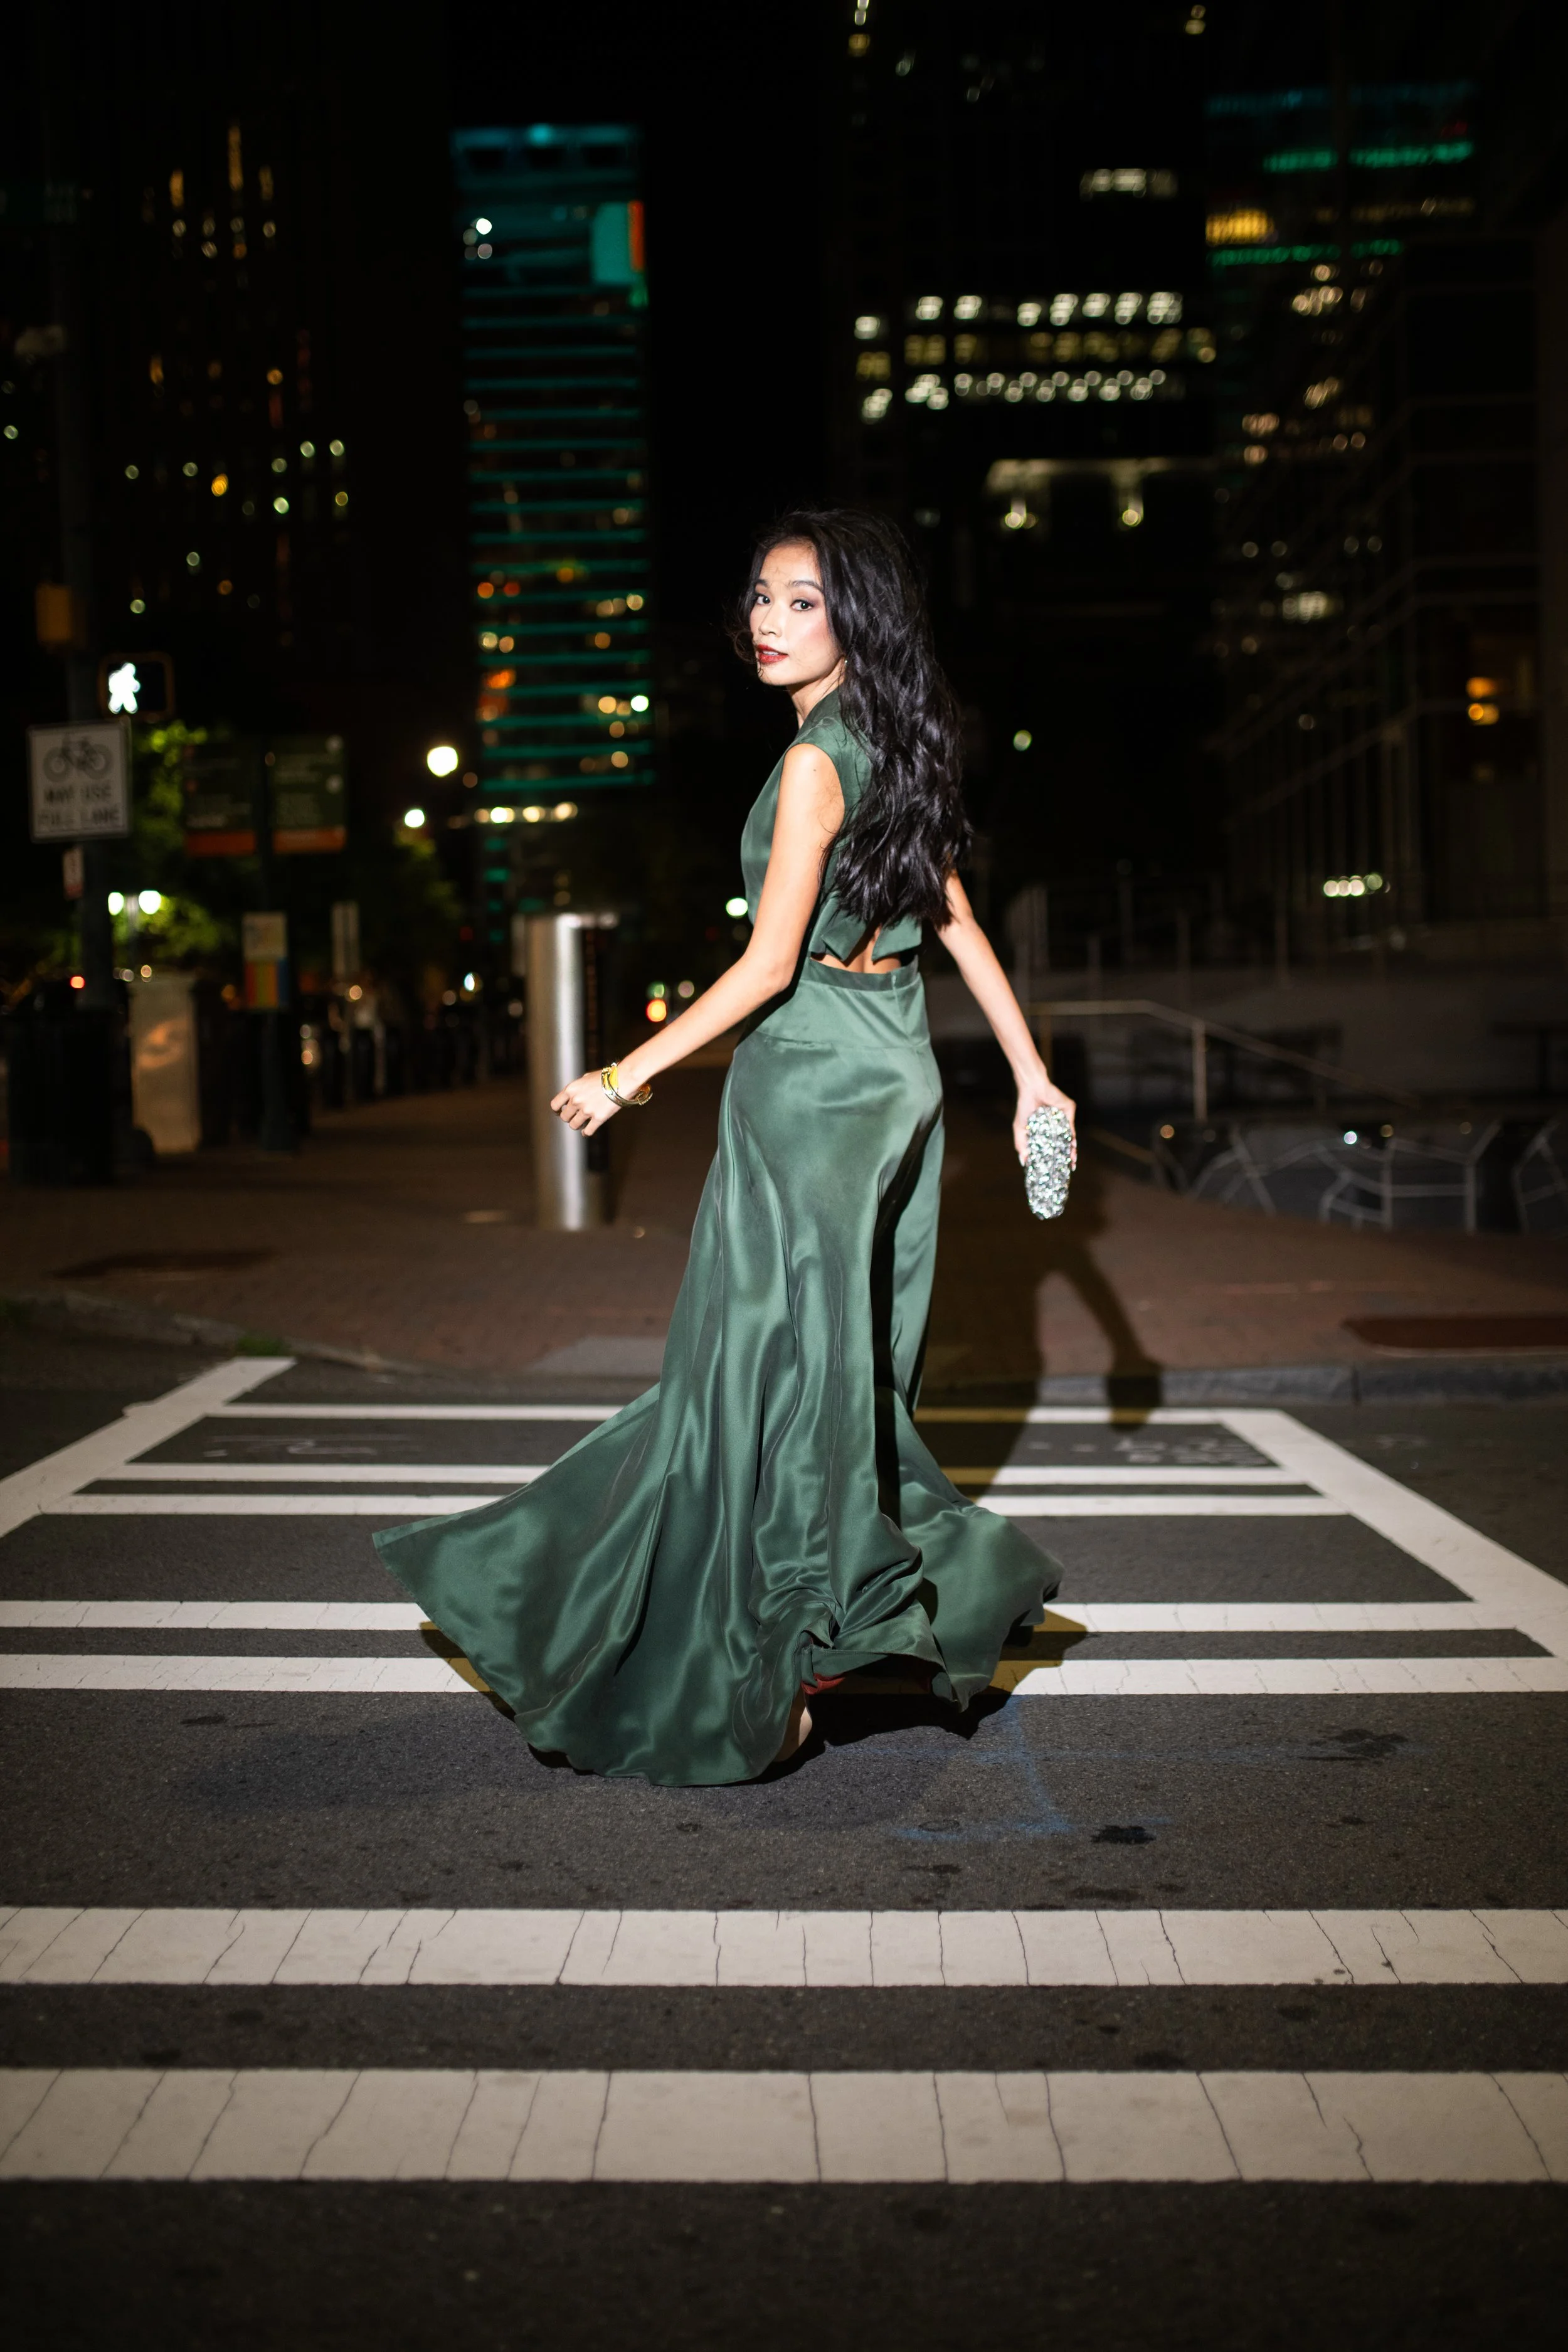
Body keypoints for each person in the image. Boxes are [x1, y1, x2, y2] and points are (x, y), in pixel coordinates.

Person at [375, 509, 1076, 1784]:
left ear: (855, 619)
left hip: (811, 1078)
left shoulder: (815, 761)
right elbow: (957, 925)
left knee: (759, 1369)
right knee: (831, 1364)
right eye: (760, 595)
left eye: (800, 600)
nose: (766, 619)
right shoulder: (892, 743)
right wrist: (1032, 1076)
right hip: (895, 1068)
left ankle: (781, 1653)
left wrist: (624, 1075)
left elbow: (765, 968)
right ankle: (826, 1615)